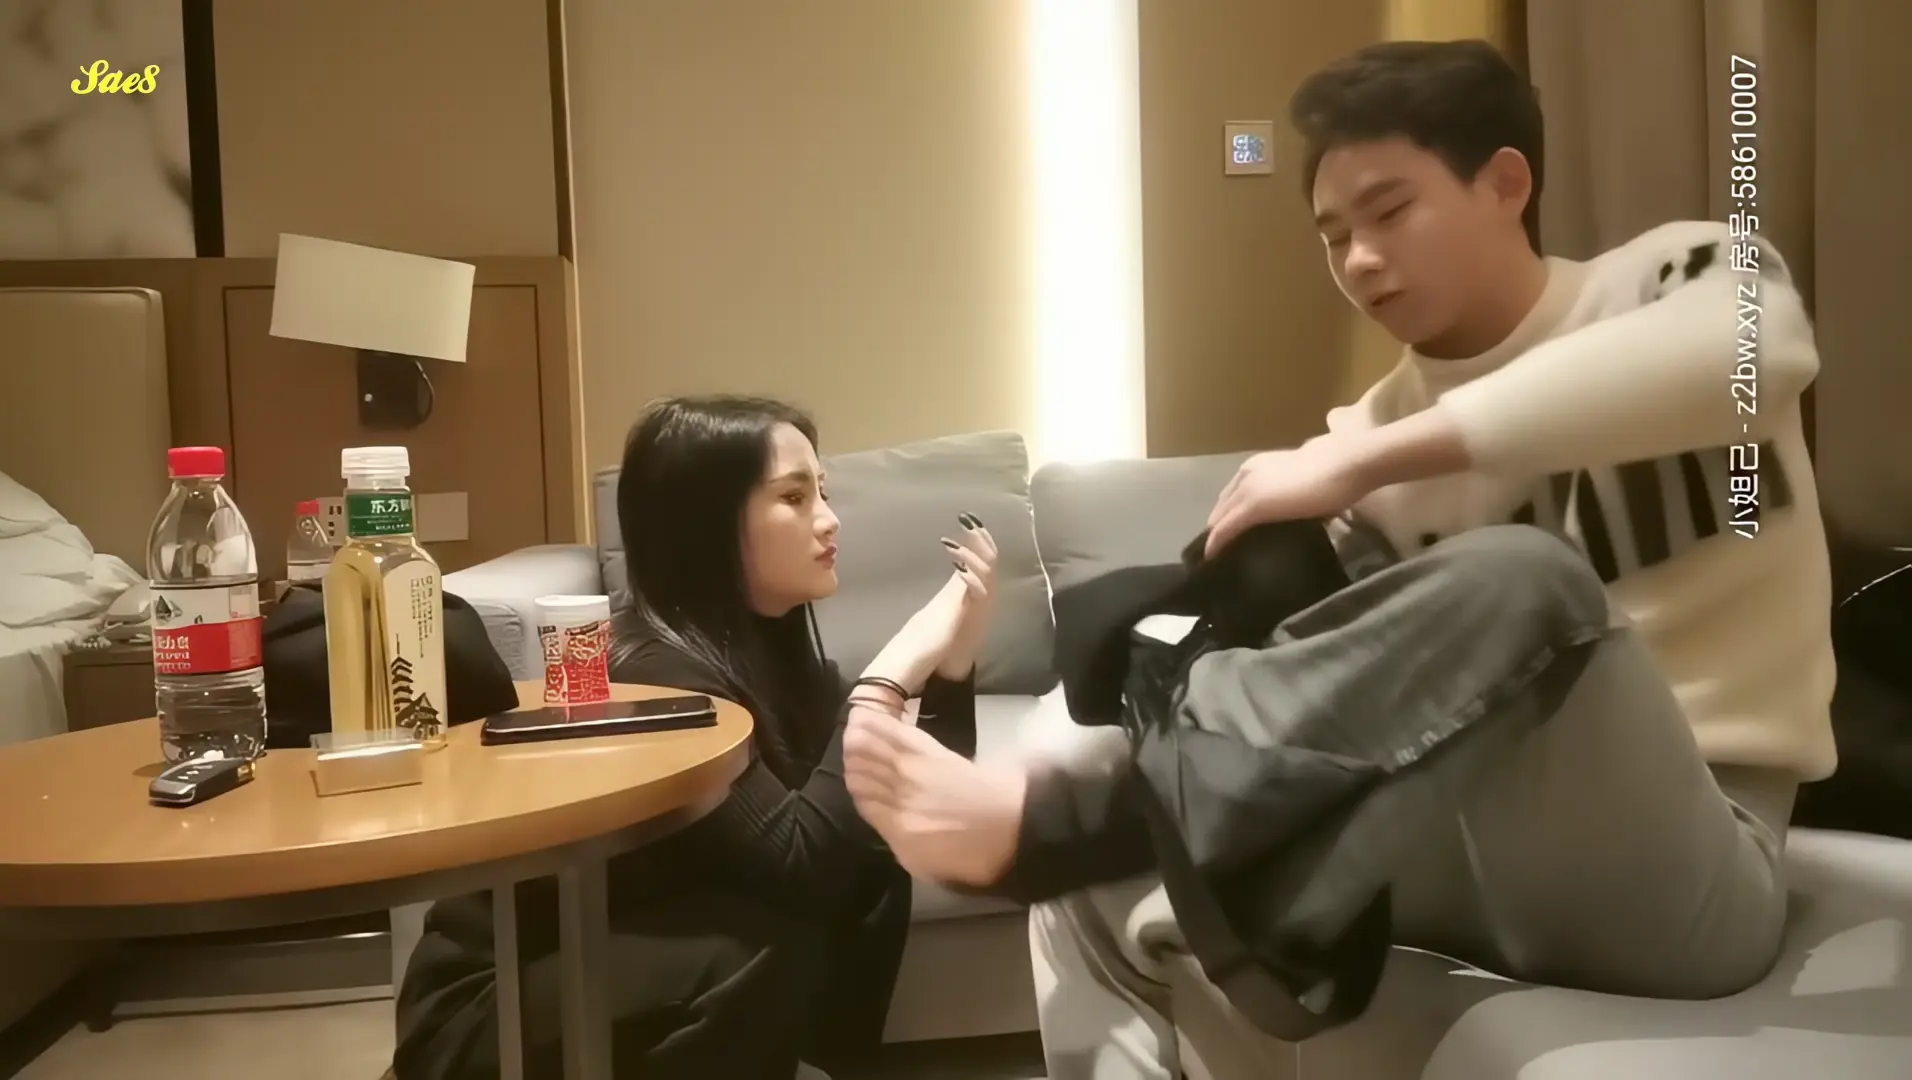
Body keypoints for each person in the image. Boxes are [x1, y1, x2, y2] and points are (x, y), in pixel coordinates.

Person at [841, 38, 1833, 1078]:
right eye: (1333, 236)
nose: (1359, 259)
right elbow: (1309, 701)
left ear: (1505, 183)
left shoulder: (1677, 277)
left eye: (1390, 211)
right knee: (1092, 874)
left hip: (1693, 860)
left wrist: (1359, 463)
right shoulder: (1362, 435)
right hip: (1480, 855)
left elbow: (1759, 355)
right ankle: (1078, 829)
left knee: (1526, 580)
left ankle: (1074, 821)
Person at [393, 394, 1000, 1080]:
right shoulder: (651, 676)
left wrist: (953, 661)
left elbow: (917, 806)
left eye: (823, 492)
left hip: (623, 973)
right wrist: (889, 676)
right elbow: (801, 864)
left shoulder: (775, 655)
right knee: (760, 936)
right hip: (493, 1007)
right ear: (707, 523)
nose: (830, 519)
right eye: (794, 497)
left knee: (874, 859)